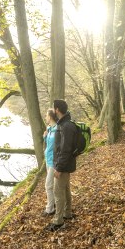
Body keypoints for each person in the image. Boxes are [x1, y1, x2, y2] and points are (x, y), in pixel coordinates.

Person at [45, 99, 77, 231]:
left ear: (57, 110)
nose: (53, 110)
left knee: (58, 192)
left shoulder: (66, 126)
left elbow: (65, 150)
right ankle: (67, 213)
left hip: (62, 165)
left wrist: (58, 168)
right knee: (65, 189)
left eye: (54, 108)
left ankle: (58, 222)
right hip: (64, 164)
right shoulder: (63, 124)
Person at [42, 108, 58, 216]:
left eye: (47, 116)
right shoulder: (49, 128)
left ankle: (50, 209)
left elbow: (58, 146)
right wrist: (44, 137)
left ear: (51, 117)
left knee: (48, 185)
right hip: (48, 160)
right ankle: (54, 204)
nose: (46, 118)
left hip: (54, 161)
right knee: (51, 185)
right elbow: (48, 144)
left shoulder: (57, 129)